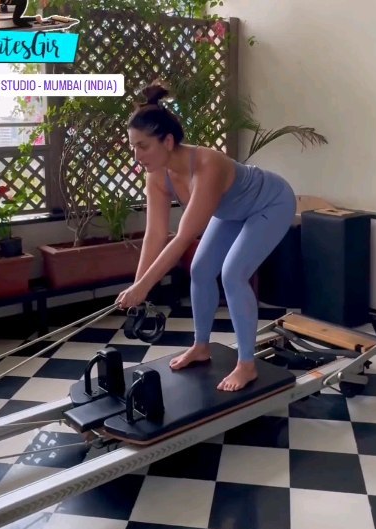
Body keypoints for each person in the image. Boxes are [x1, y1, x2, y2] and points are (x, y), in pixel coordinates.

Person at [116, 81, 297, 392]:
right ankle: (201, 346)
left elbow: (183, 236)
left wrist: (143, 287)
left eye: (142, 146)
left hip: (271, 203)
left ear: (167, 141)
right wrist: (138, 286)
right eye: (133, 146)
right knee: (199, 270)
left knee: (233, 274)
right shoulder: (156, 176)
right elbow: (155, 234)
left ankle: (246, 364)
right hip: (232, 212)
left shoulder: (207, 164)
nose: (136, 155)